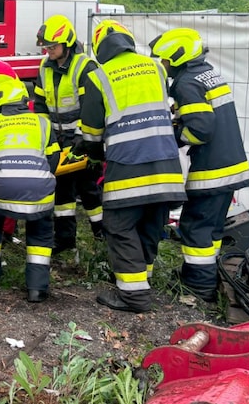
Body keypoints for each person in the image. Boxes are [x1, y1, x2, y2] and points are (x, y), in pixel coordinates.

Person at [78, 20, 187, 313]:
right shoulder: (156, 67)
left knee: (119, 225)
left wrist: (91, 153)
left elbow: (90, 132)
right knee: (151, 221)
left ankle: (134, 296)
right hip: (166, 163)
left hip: (127, 163)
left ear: (100, 49)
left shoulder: (99, 77)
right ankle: (143, 280)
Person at [150, 28, 249, 302]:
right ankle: (201, 277)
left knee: (195, 228)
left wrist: (174, 134)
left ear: (176, 56)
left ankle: (198, 289)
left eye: (163, 60)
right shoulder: (207, 73)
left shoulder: (186, 83)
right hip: (229, 166)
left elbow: (201, 129)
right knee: (211, 231)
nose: (162, 66)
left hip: (211, 171)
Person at [0, 80, 60, 300]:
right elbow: (54, 157)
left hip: (0, 191)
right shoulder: (43, 123)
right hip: (39, 191)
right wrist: (41, 178)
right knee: (41, 232)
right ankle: (37, 288)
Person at [33, 15, 104, 254]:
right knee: (62, 191)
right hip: (58, 139)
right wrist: (46, 138)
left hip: (83, 139)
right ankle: (64, 240)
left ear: (67, 44)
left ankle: (102, 235)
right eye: (46, 47)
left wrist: (81, 139)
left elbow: (91, 107)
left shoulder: (85, 67)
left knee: (89, 189)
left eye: (52, 47)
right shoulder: (45, 68)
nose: (48, 51)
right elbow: (40, 104)